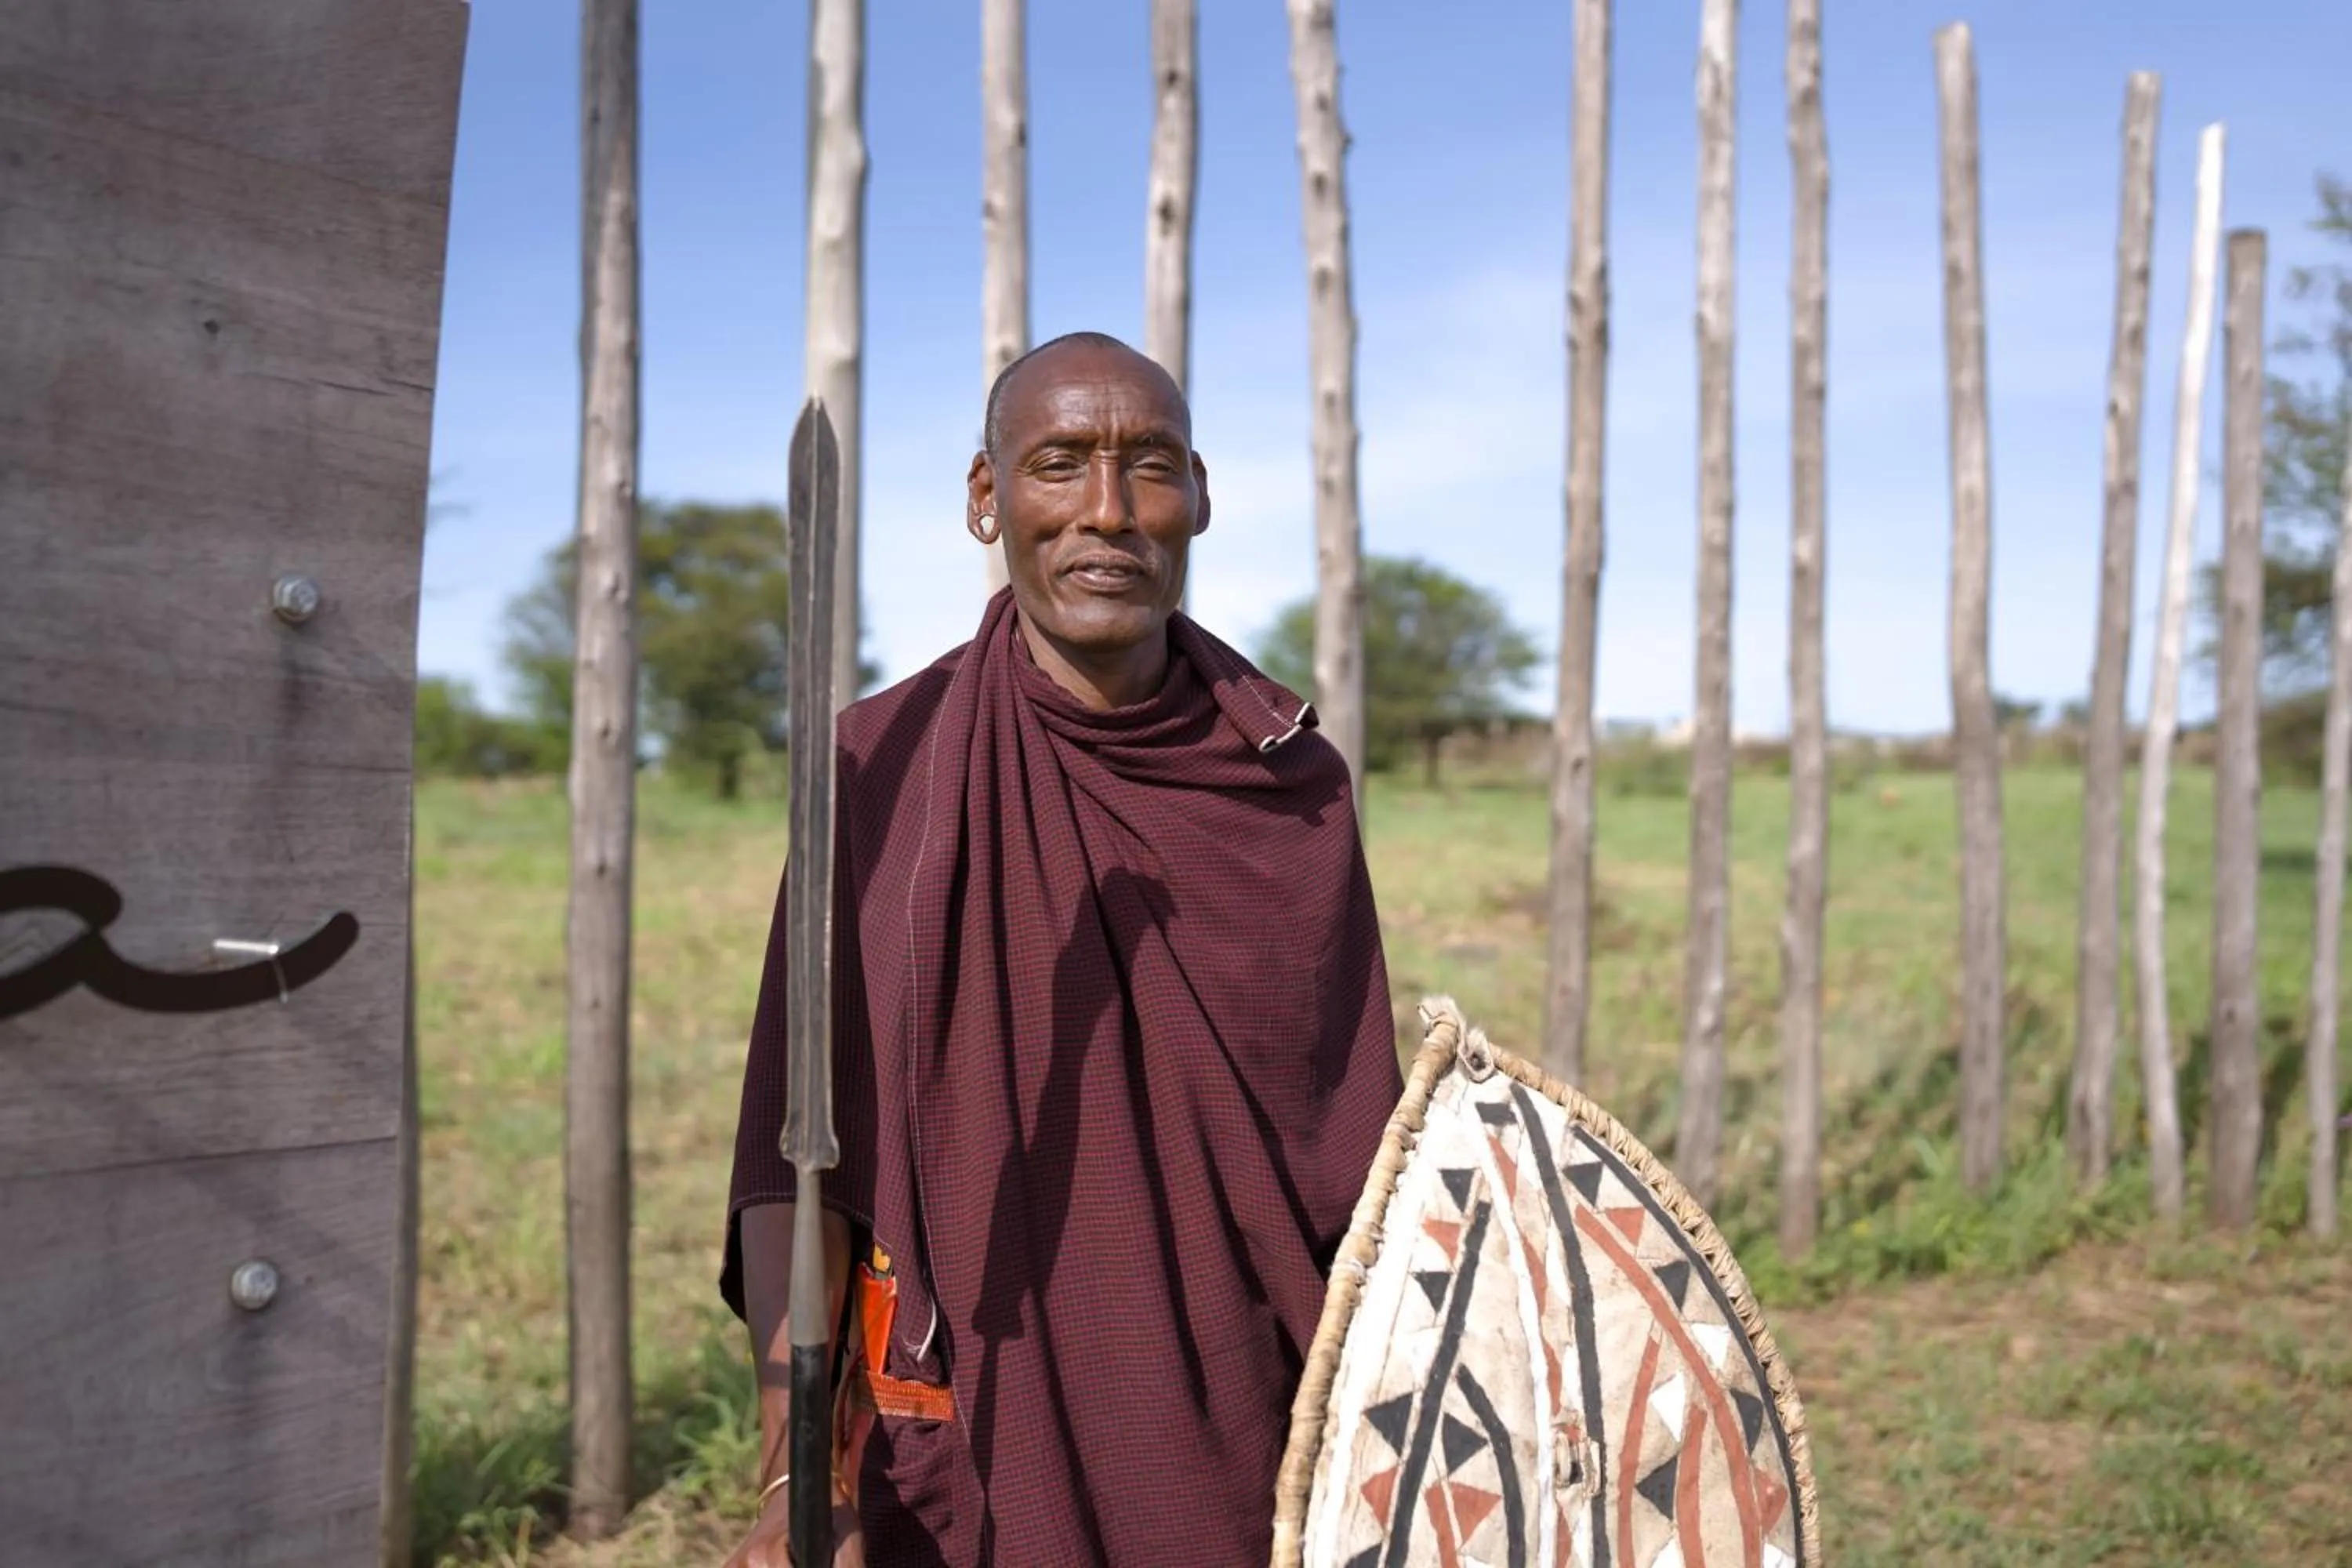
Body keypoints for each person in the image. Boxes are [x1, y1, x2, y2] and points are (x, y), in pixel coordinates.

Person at [720, 332, 1401, 1566]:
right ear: (989, 501)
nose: (1106, 512)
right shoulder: (876, 772)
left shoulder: (1290, 787)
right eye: (1058, 464)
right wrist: (794, 1472)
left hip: (1250, 1427)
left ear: (1197, 497)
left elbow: (1360, 1161)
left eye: (1146, 468)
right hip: (964, 1420)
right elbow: (793, 1161)